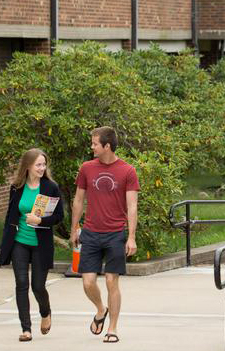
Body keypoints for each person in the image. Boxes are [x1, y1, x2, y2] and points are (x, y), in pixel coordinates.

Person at [70, 126, 139, 344]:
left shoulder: (127, 171)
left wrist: (131, 237)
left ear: (106, 146)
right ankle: (101, 310)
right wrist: (74, 228)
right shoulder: (87, 168)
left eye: (95, 144)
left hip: (115, 234)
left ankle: (112, 328)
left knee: (112, 281)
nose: (92, 147)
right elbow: (78, 200)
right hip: (90, 233)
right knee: (88, 282)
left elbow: (132, 205)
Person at [0, 148, 64, 342]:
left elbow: (60, 216)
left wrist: (40, 221)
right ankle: (26, 329)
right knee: (21, 284)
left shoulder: (51, 187)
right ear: (28, 166)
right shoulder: (16, 187)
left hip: (40, 244)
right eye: (38, 165)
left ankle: (46, 312)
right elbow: (10, 216)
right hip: (20, 241)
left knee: (37, 286)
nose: (42, 168)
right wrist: (4, 243)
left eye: (44, 164)